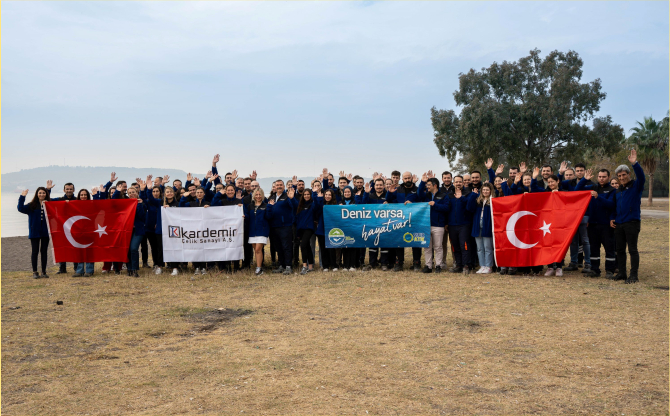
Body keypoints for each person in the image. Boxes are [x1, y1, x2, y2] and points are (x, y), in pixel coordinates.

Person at [611, 150, 645, 284]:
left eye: (624, 175)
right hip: (619, 224)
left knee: (632, 249)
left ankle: (634, 275)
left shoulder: (636, 186)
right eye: (619, 176)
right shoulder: (618, 191)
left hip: (632, 223)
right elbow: (614, 207)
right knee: (620, 250)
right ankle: (622, 273)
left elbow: (642, 177)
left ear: (629, 174)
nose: (622, 177)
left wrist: (635, 163)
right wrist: (612, 218)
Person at [576, 169, 617, 278]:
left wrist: (598, 197)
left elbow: (612, 205)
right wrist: (585, 179)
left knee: (609, 248)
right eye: (599, 177)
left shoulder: (612, 190)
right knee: (594, 248)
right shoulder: (593, 187)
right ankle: (594, 270)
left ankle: (610, 270)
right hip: (592, 224)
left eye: (604, 177)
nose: (601, 179)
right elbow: (577, 190)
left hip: (606, 225)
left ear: (608, 177)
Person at [559, 163, 593, 273]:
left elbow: (580, 193)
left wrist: (590, 217)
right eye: (578, 170)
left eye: (581, 170)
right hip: (572, 216)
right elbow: (557, 184)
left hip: (584, 216)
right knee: (573, 241)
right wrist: (560, 173)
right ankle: (573, 262)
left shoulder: (591, 184)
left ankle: (587, 263)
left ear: (585, 171)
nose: (580, 172)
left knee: (585, 241)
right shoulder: (570, 183)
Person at [530, 168, 565, 276]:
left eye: (552, 182)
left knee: (559, 245)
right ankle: (550, 267)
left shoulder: (563, 192)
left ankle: (559, 267)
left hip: (559, 223)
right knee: (548, 244)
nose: (550, 184)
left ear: (557, 181)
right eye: (549, 182)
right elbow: (534, 188)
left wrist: (558, 195)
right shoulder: (545, 192)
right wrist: (534, 178)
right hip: (547, 223)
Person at [361, 177, 397, 271]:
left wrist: (389, 203)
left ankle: (384, 263)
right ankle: (372, 264)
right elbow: (363, 204)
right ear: (374, 186)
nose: (379, 187)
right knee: (373, 245)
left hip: (385, 224)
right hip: (372, 224)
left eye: (381, 185)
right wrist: (366, 192)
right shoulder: (370, 195)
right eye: (377, 185)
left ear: (384, 186)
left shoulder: (387, 195)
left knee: (384, 244)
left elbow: (395, 204)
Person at [112, 182, 147, 277]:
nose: (132, 194)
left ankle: (135, 269)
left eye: (133, 192)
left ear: (137, 192)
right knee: (127, 250)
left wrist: (139, 204)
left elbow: (142, 217)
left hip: (138, 230)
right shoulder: (126, 202)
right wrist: (117, 191)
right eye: (130, 192)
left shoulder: (142, 203)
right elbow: (114, 202)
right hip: (127, 230)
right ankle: (129, 269)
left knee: (134, 248)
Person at [417, 174, 450, 273]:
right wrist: (422, 182)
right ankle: (428, 266)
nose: (427, 187)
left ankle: (438, 265)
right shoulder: (426, 195)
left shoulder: (444, 196)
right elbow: (419, 193)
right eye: (426, 185)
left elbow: (446, 208)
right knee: (427, 246)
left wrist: (435, 205)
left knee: (438, 246)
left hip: (438, 225)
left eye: (429, 185)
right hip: (426, 225)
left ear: (435, 185)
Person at [392, 171, 422, 271]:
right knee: (399, 241)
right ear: (402, 179)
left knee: (415, 241)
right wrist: (389, 193)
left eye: (409, 178)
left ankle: (417, 262)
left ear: (412, 178)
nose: (407, 180)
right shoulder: (398, 189)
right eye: (405, 178)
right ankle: (399, 263)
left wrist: (412, 203)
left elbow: (422, 199)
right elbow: (391, 200)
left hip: (414, 220)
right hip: (400, 220)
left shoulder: (417, 189)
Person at [18, 188, 51, 279]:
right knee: (35, 252)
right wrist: (22, 196)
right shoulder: (32, 205)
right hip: (34, 232)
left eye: (43, 193)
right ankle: (35, 272)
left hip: (45, 232)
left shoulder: (49, 204)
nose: (41, 194)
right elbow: (20, 208)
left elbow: (60, 203)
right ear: (37, 194)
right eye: (40, 193)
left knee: (44, 252)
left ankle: (44, 272)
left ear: (46, 194)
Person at [46, 181, 77, 274]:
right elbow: (47, 201)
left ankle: (76, 268)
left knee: (75, 247)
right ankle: (62, 268)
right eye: (67, 189)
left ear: (73, 190)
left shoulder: (78, 200)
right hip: (62, 228)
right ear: (64, 190)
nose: (69, 191)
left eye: (71, 189)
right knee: (62, 247)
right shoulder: (59, 199)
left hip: (75, 227)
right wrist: (48, 189)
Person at [268, 181, 297, 275]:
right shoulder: (272, 198)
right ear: (275, 187)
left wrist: (292, 198)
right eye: (277, 185)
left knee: (286, 247)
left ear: (284, 186)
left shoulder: (287, 196)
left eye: (281, 185)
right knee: (278, 247)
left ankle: (288, 266)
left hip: (285, 226)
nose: (279, 186)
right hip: (274, 227)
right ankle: (282, 265)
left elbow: (295, 206)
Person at [466, 183, 495, 273]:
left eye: (487, 190)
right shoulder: (478, 201)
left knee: (488, 247)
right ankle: (482, 266)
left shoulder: (493, 201)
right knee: (479, 248)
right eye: (484, 190)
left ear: (490, 191)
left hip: (487, 226)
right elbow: (469, 208)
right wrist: (473, 195)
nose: (485, 191)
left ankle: (488, 266)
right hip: (477, 226)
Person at [446, 176, 473, 274]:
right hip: (452, 225)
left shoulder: (468, 193)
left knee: (464, 245)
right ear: (453, 183)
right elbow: (447, 209)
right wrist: (446, 223)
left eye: (460, 182)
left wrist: (461, 198)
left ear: (463, 183)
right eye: (456, 182)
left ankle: (466, 265)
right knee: (455, 246)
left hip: (464, 225)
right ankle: (458, 264)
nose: (458, 183)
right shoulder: (449, 195)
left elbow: (470, 207)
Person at [245, 188, 273, 276]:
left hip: (262, 231)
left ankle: (259, 268)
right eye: (256, 195)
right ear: (254, 196)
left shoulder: (265, 205)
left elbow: (269, 217)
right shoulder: (250, 206)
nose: (258, 196)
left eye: (259, 194)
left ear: (262, 195)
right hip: (252, 231)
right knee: (256, 250)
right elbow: (248, 217)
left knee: (258, 249)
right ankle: (259, 266)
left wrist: (269, 207)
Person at [71, 189, 96, 277]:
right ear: (79, 196)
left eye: (85, 195)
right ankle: (79, 271)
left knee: (89, 251)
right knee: (79, 251)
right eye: (82, 195)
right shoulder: (74, 205)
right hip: (78, 231)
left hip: (90, 231)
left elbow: (99, 204)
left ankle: (89, 270)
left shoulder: (92, 205)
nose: (83, 196)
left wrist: (95, 195)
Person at [294, 188, 319, 275]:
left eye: (308, 194)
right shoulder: (300, 205)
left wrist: (315, 193)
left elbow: (317, 204)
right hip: (301, 229)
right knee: (307, 246)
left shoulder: (312, 205)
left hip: (309, 228)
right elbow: (293, 202)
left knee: (303, 245)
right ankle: (311, 266)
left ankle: (304, 266)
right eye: (305, 194)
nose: (306, 196)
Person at [314, 189, 338, 271]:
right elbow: (316, 210)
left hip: (331, 230)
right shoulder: (321, 203)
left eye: (329, 195)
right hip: (321, 230)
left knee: (331, 248)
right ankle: (325, 266)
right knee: (323, 249)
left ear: (332, 196)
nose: (327, 196)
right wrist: (320, 199)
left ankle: (334, 265)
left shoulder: (335, 205)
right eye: (326, 194)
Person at [340, 186, 358, 271]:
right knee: (345, 246)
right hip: (344, 227)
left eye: (348, 192)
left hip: (353, 227)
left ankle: (352, 265)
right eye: (345, 192)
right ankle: (345, 265)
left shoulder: (355, 201)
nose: (347, 194)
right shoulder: (340, 202)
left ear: (351, 193)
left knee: (353, 246)